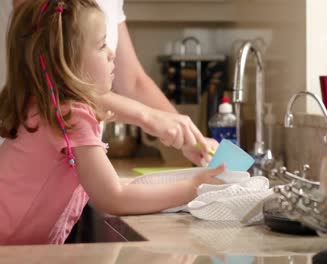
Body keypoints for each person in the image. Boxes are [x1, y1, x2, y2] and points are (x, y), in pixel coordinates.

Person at [0, 0, 225, 245]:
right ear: (66, 60)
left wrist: (172, 127)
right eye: (101, 44)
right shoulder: (70, 117)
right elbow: (114, 197)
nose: (112, 52)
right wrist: (195, 187)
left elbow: (117, 95)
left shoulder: (45, 104)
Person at [8, 0, 218, 166]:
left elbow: (132, 82)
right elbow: (55, 83)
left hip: (74, 166)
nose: (110, 53)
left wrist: (188, 135)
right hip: (33, 163)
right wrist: (148, 117)